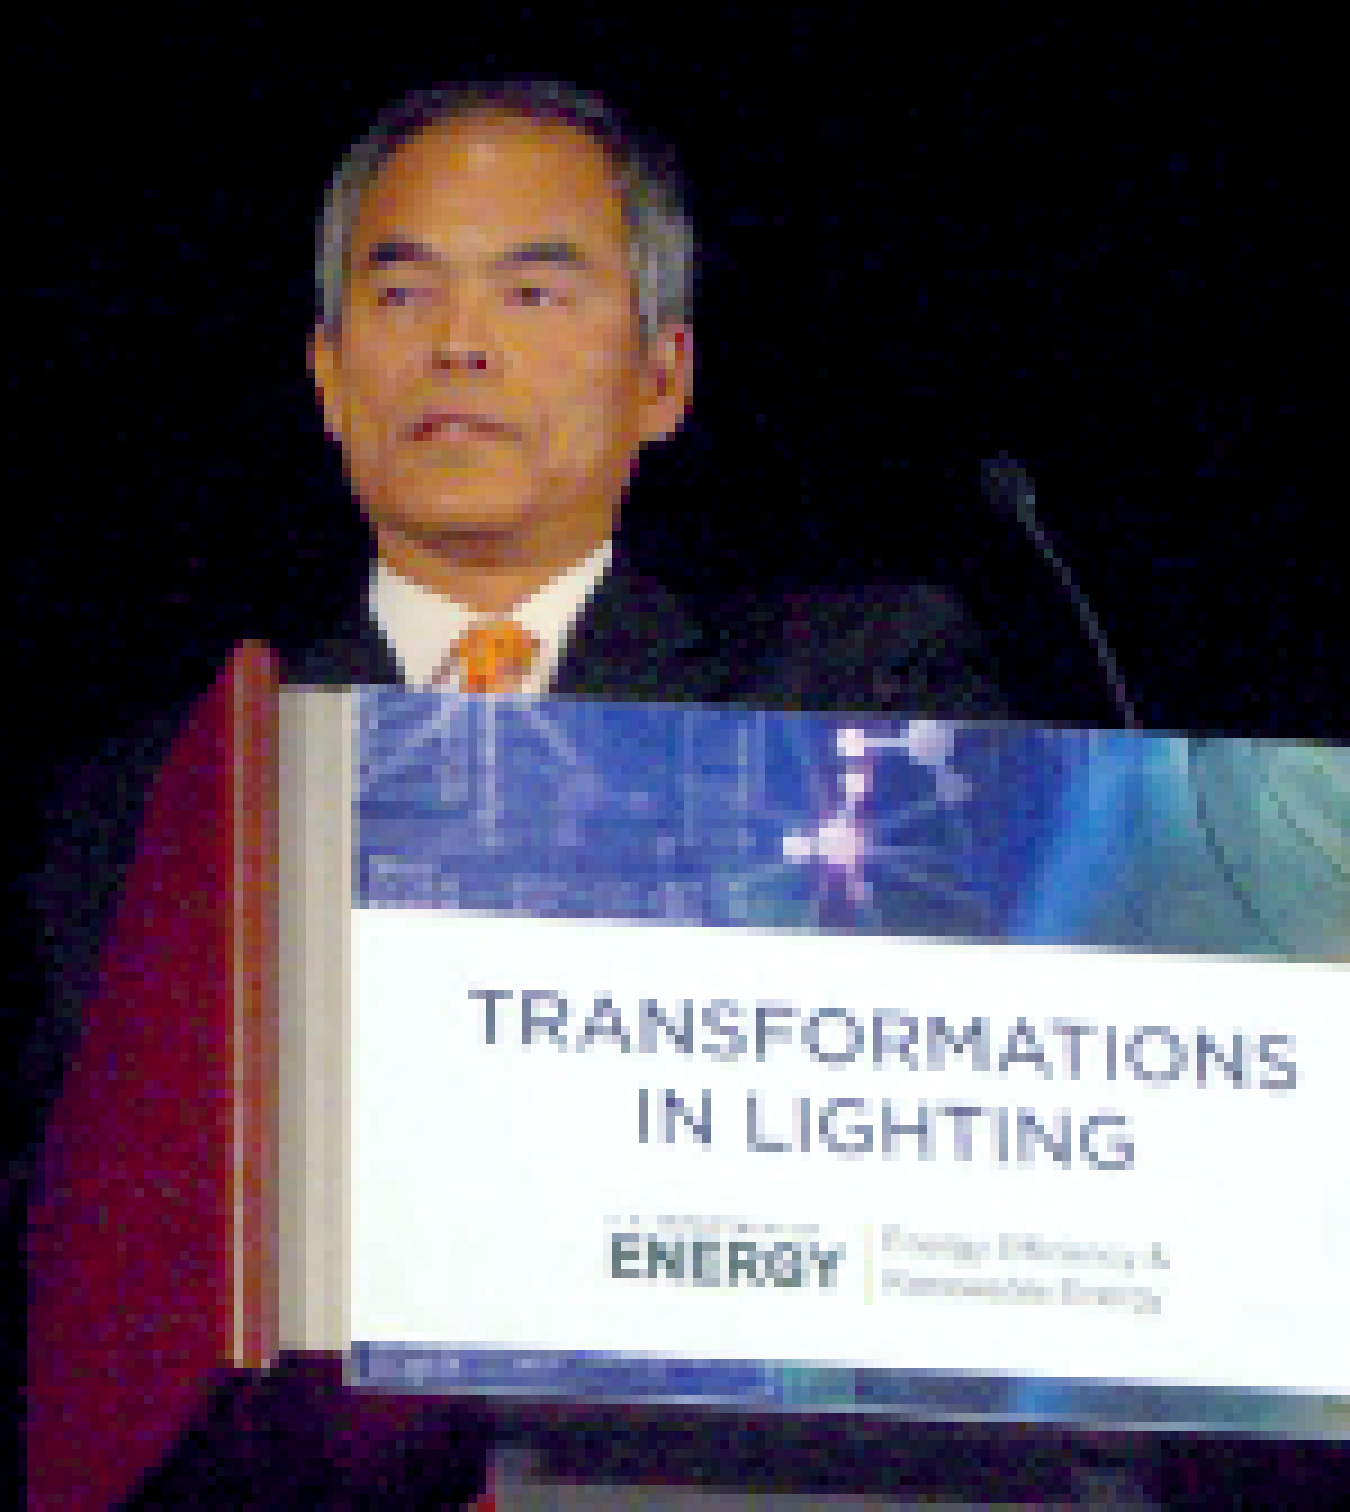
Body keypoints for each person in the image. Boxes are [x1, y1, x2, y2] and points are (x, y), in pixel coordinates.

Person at [26, 79, 1012, 1509]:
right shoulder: (155, 802)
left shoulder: (849, 699)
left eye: (535, 293)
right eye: (404, 291)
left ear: (662, 379)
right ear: (325, 373)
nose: (461, 345)